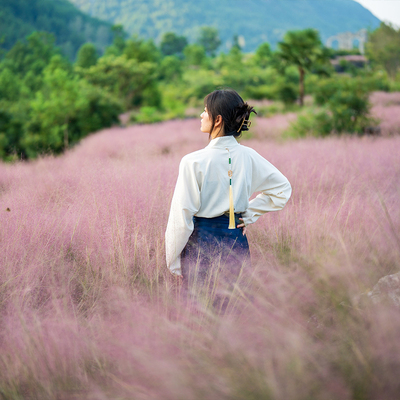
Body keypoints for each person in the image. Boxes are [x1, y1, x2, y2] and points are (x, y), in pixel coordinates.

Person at [165, 89, 292, 300]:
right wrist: (248, 215)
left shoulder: (193, 161)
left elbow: (182, 217)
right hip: (236, 241)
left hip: (201, 243)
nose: (201, 115)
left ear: (218, 120)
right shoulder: (249, 155)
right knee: (235, 309)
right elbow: (282, 189)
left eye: (205, 111)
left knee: (201, 311)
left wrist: (174, 261)